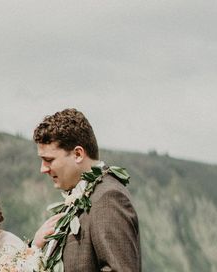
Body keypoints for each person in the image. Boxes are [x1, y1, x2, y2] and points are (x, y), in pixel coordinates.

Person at [31, 108, 141, 272]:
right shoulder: (84, 195)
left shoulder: (108, 198)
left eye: (48, 160)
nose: (43, 169)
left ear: (77, 154)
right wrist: (35, 246)